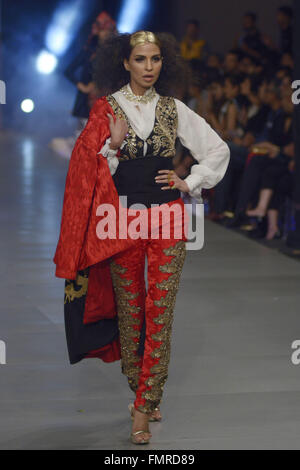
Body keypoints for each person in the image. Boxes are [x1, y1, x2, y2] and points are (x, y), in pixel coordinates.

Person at [53, 31, 229, 445]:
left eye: (155, 59)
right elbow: (85, 172)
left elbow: (217, 149)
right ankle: (140, 387)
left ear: (163, 62)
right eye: (140, 59)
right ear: (125, 63)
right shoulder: (106, 108)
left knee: (160, 311)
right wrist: (112, 147)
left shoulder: (174, 108)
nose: (149, 67)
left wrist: (190, 180)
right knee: (132, 311)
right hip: (122, 223)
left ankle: (145, 406)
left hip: (168, 217)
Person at [50, 12, 117, 158]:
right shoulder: (88, 51)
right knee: (85, 138)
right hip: (88, 102)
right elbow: (68, 70)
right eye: (102, 30)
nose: (105, 34)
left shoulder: (115, 53)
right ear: (97, 31)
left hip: (108, 101)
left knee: (106, 140)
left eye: (108, 31)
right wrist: (82, 86)